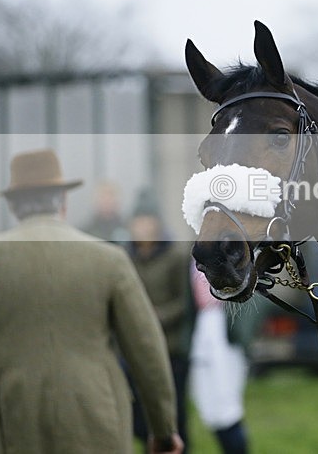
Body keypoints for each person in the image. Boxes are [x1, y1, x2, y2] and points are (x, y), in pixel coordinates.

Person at [0, 149, 183, 454]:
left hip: (4, 424)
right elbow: (146, 349)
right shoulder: (110, 260)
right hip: (97, 418)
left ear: (12, 205)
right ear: (63, 202)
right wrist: (163, 430)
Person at [127, 192, 196, 453]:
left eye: (147, 221)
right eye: (138, 222)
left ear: (156, 224)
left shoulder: (176, 255)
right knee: (141, 418)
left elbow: (184, 303)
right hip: (138, 350)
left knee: (174, 418)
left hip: (171, 349)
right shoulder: (126, 257)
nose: (142, 227)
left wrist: (155, 317)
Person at [189, 262, 256, 454]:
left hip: (225, 333)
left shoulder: (233, 250)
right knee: (208, 403)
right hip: (202, 332)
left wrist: (242, 331)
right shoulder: (194, 257)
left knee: (227, 404)